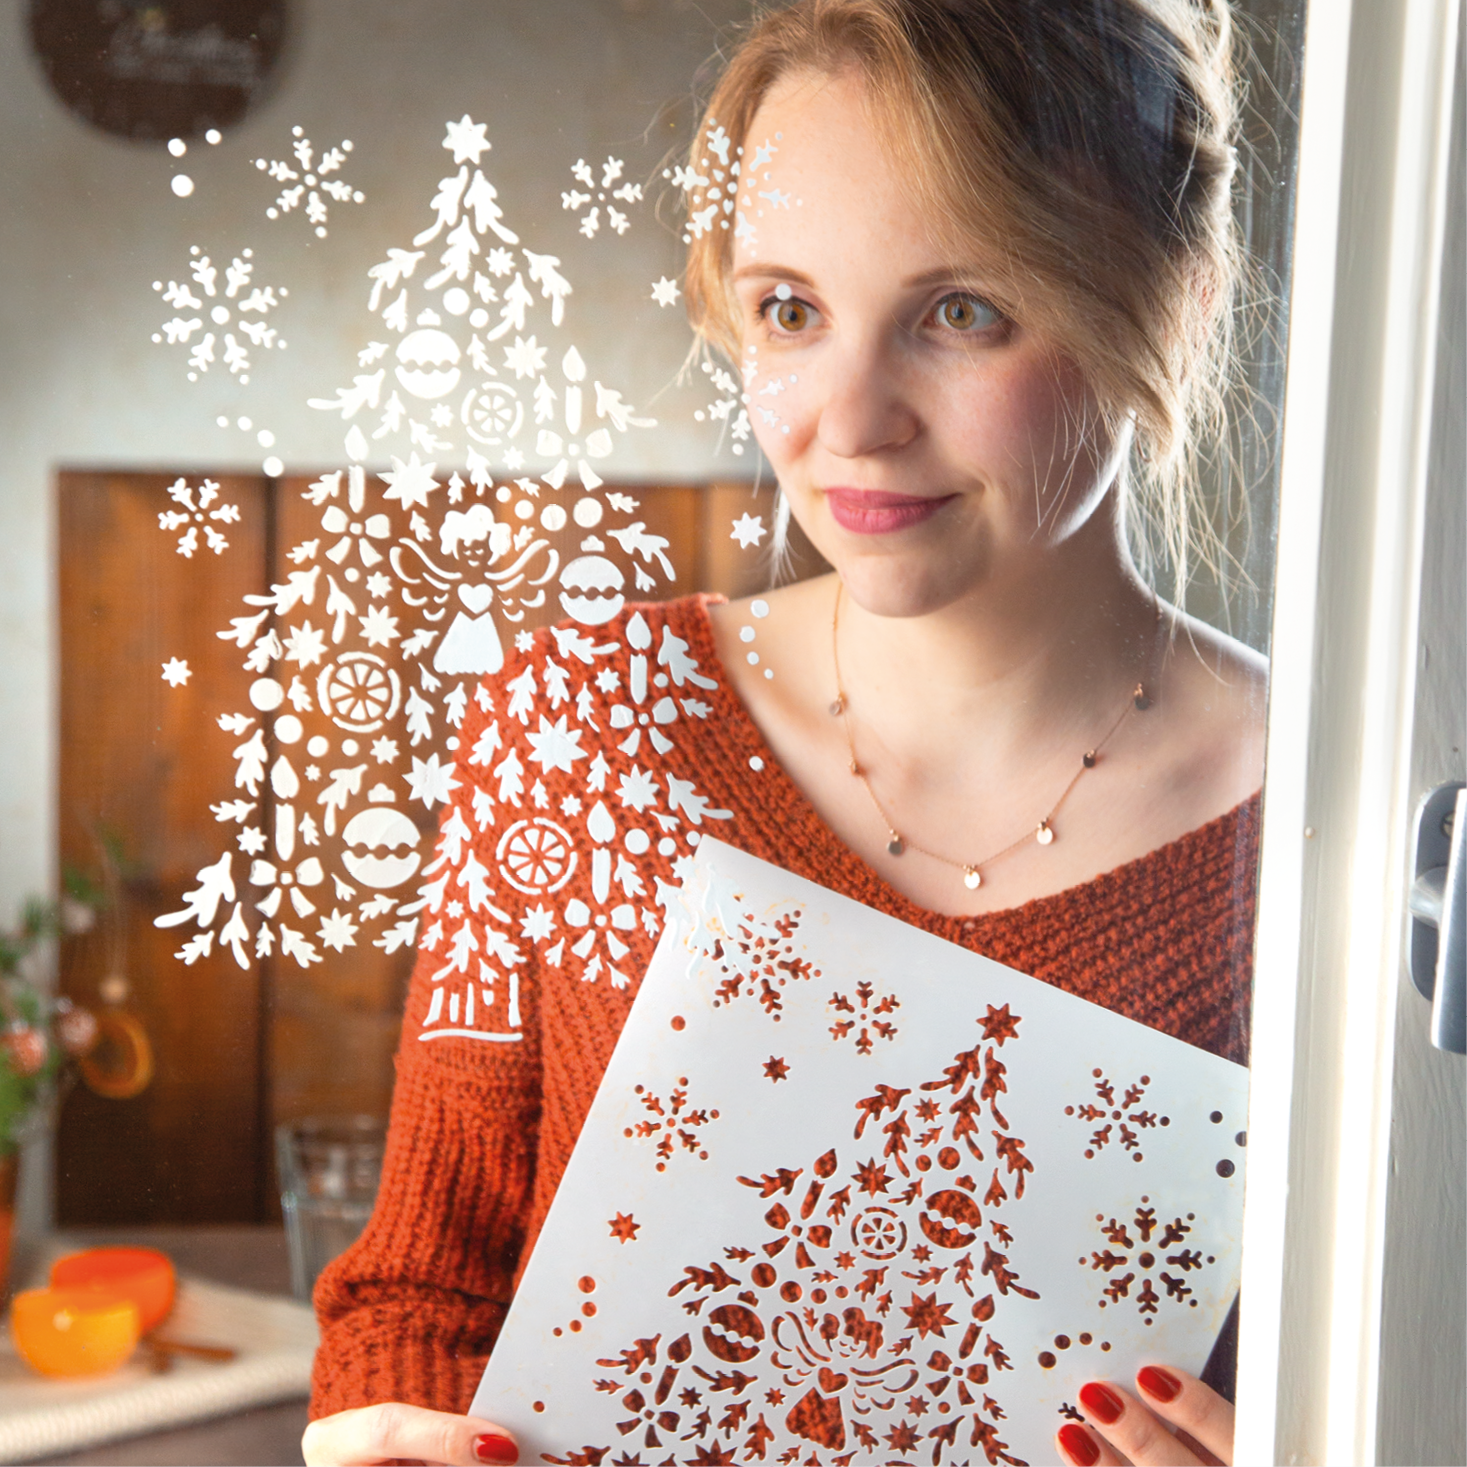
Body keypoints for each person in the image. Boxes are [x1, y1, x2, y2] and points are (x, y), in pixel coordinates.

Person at [302, 2, 1264, 1463]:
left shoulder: (1334, 827)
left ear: (1172, 301)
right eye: (789, 310)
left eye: (962, 311)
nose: (847, 419)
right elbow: (418, 1292)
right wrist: (382, 1435)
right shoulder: (583, 727)